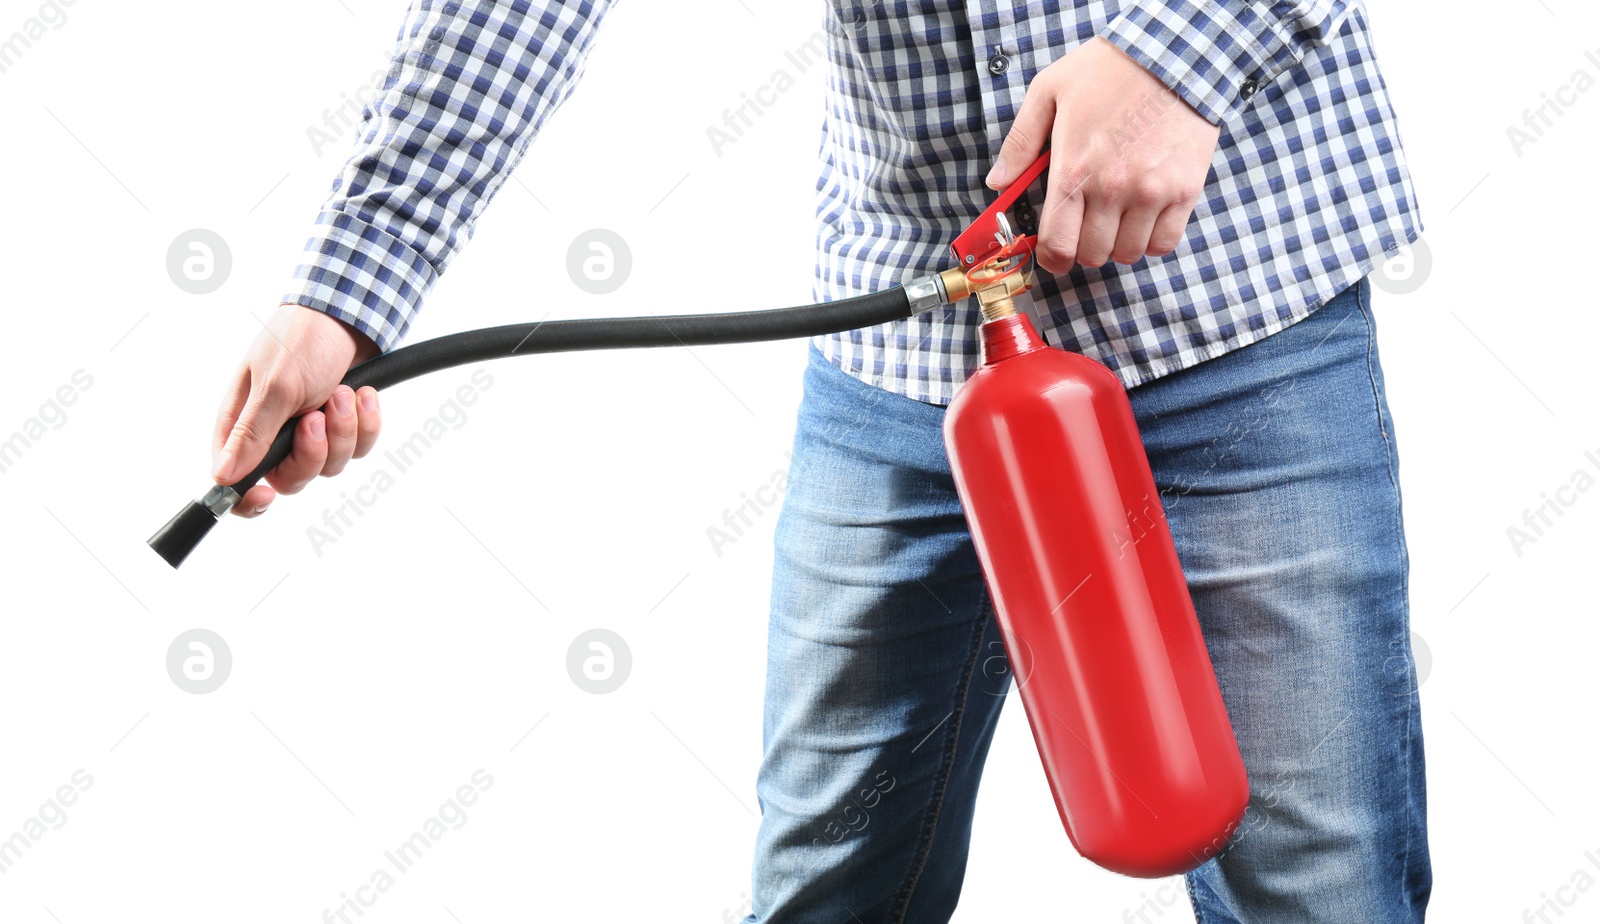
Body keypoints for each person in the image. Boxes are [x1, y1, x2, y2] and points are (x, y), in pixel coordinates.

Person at [209, 2, 1431, 920]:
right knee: (825, 887)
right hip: (906, 370)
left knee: (1321, 893)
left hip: (1246, 305)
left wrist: (1185, 47)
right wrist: (348, 292)